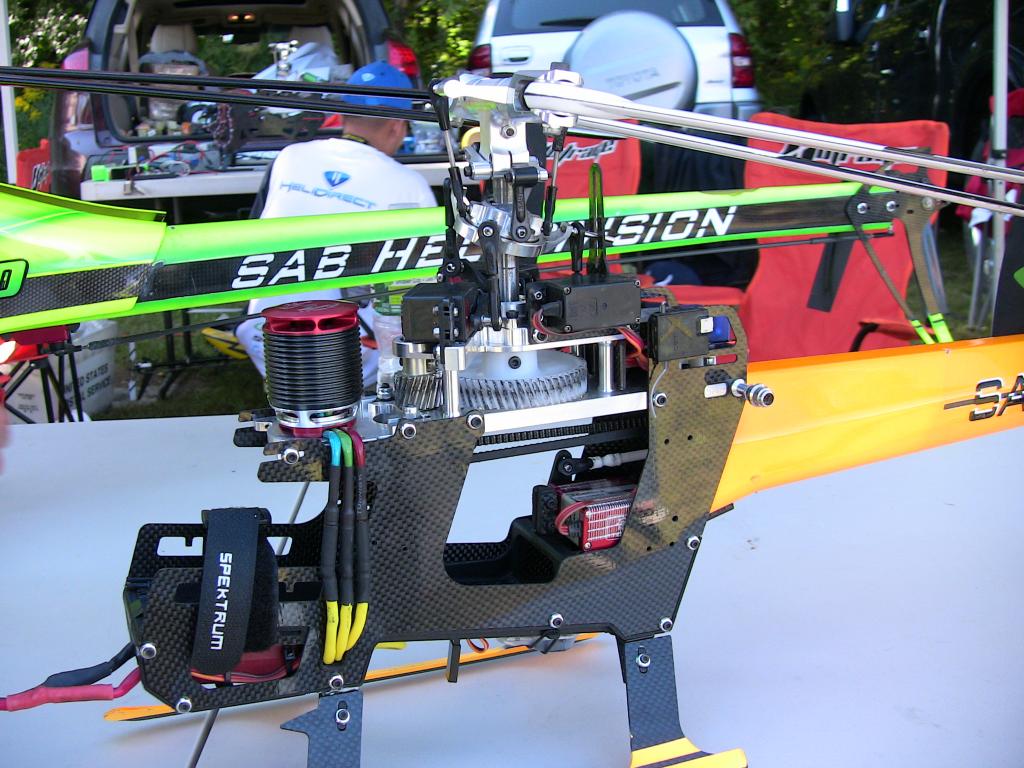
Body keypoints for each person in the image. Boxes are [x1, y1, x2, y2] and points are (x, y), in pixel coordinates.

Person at [234, 61, 436, 386]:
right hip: (347, 351)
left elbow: (251, 236)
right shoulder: (409, 184)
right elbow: (421, 285)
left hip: (263, 337)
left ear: (341, 116)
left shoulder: (289, 156)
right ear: (398, 126)